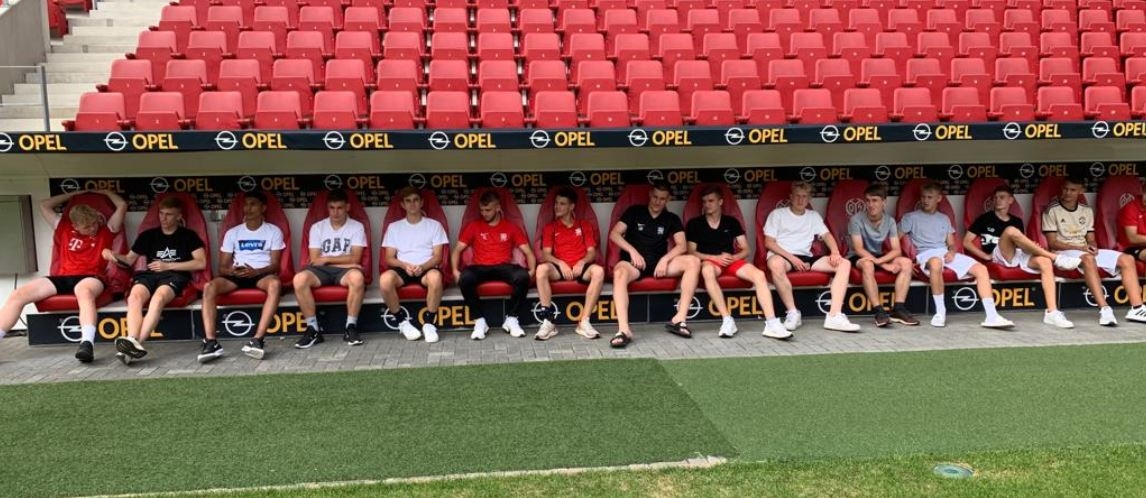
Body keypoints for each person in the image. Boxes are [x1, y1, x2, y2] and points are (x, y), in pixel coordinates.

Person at [0, 190, 125, 363]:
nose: (92, 228)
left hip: (92, 277)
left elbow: (122, 205)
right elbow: (44, 204)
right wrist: (75, 194)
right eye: (87, 226)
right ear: (75, 226)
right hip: (63, 277)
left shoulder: (107, 229)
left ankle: (86, 344)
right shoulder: (63, 227)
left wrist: (104, 192)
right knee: (18, 294)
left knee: (84, 291)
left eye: (94, 224)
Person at [963, 184, 1081, 329]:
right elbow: (966, 242)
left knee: (1044, 262)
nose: (998, 200)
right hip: (997, 254)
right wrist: (984, 256)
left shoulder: (1016, 220)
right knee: (1010, 231)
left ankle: (1052, 312)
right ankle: (1055, 257)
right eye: (995, 198)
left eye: (1002, 197)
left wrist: (1032, 247)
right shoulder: (984, 218)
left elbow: (1020, 245)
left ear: (1011, 200)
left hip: (1016, 253)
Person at [107, 196, 207, 364]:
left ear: (179, 216)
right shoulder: (148, 235)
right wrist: (111, 255)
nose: (163, 218)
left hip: (175, 275)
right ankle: (132, 340)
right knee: (134, 297)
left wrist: (168, 265)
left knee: (158, 298)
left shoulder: (188, 236)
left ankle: (135, 344)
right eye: (161, 213)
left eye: (169, 214)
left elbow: (201, 262)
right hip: (149, 274)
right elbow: (129, 260)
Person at [900, 181, 1013, 329]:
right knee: (936, 262)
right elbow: (895, 239)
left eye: (929, 197)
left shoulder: (944, 218)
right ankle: (940, 312)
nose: (925, 200)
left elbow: (952, 244)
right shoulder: (910, 217)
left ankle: (992, 316)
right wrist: (908, 259)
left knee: (981, 269)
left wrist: (952, 252)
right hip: (925, 254)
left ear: (939, 198)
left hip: (944, 253)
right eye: (923, 197)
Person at [686, 185, 789, 339]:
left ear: (720, 202)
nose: (707, 204)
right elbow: (691, 252)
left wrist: (734, 257)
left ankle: (772, 323)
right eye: (705, 201)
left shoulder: (731, 222)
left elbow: (746, 249)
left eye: (711, 201)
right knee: (707, 270)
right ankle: (727, 320)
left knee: (759, 275)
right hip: (710, 262)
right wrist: (714, 258)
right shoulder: (695, 223)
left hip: (730, 260)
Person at [608, 181, 701, 348]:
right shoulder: (634, 211)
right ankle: (623, 330)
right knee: (619, 272)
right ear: (650, 195)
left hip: (659, 264)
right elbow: (614, 234)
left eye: (662, 199)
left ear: (668, 200)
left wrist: (665, 259)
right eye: (655, 197)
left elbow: (682, 245)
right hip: (635, 264)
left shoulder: (671, 218)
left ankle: (679, 319)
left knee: (693, 261)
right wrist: (632, 251)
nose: (658, 202)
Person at [1045, 176, 1146, 325]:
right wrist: (1081, 248)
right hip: (1063, 253)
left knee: (1127, 259)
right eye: (1065, 189)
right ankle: (1105, 309)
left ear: (1081, 191)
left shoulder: (1086, 210)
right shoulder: (1052, 210)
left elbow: (1091, 238)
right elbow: (1053, 243)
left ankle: (1137, 308)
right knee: (1088, 258)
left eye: (1072, 190)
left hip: (1083, 250)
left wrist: (1093, 245)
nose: (1067, 193)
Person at [198, 192, 285, 362]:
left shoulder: (273, 231)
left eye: (253, 204)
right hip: (237, 274)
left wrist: (256, 272)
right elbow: (222, 267)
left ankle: (257, 340)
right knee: (209, 287)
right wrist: (233, 272)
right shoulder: (233, 232)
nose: (248, 208)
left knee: (275, 284)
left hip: (261, 274)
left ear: (263, 208)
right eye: (246, 204)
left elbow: (276, 265)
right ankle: (211, 342)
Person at [764, 181, 861, 333]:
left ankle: (834, 316)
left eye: (804, 196)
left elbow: (827, 235)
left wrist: (835, 252)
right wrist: (792, 259)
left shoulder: (813, 216)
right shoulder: (777, 214)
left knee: (844, 264)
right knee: (775, 263)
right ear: (791, 197)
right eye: (797, 196)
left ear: (809, 199)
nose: (800, 200)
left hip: (806, 257)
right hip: (783, 255)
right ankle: (793, 313)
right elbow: (769, 242)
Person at [451, 190, 536, 340]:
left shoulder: (511, 227)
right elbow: (457, 250)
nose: (484, 213)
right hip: (480, 267)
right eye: (482, 210)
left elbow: (528, 252)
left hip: (504, 266)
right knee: (465, 278)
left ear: (498, 208)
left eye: (488, 210)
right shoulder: (473, 226)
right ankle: (479, 321)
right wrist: (454, 271)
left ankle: (511, 319)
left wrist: (532, 270)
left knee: (522, 276)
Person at [293, 190, 368, 348]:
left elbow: (356, 258)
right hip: (323, 271)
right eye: (332, 208)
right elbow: (315, 260)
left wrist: (327, 259)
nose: (335, 212)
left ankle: (350, 327)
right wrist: (345, 263)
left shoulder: (357, 227)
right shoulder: (317, 227)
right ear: (327, 208)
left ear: (347, 207)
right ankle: (313, 329)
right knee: (299, 279)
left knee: (357, 278)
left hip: (343, 272)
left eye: (339, 208)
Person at [534, 187, 605, 341]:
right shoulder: (550, 227)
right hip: (560, 268)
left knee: (599, 272)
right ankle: (548, 322)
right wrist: (560, 263)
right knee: (541, 270)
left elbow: (592, 252)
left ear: (572, 206)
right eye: (556, 203)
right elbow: (546, 254)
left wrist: (582, 262)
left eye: (562, 204)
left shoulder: (584, 225)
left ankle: (584, 322)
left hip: (580, 267)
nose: (557, 207)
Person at [379, 187, 448, 344]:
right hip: (403, 268)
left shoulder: (434, 225)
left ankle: (429, 324)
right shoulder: (394, 227)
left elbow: (438, 257)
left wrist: (422, 267)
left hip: (426, 268)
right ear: (403, 205)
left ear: (421, 202)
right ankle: (402, 323)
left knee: (436, 278)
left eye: (416, 200)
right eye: (408, 201)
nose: (412, 204)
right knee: (385, 280)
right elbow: (389, 258)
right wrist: (405, 266)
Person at [847, 183, 920, 327]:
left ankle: (898, 309)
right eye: (868, 200)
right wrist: (884, 264)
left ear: (884, 202)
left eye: (875, 200)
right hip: (858, 257)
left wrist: (881, 261)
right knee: (868, 265)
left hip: (879, 256)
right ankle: (879, 311)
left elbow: (896, 250)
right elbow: (859, 249)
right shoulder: (856, 219)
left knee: (906, 263)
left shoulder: (890, 221)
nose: (870, 204)